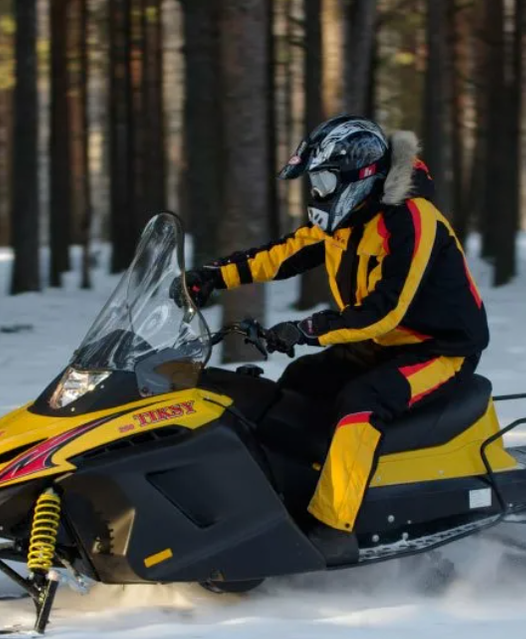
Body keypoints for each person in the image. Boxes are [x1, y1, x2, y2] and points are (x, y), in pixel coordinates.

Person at [174, 114, 489, 562]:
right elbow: (280, 254)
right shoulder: (346, 220)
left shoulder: (413, 220)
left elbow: (386, 309)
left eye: (323, 181)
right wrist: (210, 277)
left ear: (358, 177)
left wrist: (307, 329)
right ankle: (285, 494)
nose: (317, 193)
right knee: (299, 382)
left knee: (363, 403)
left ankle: (332, 527)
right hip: (382, 343)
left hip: (437, 349)